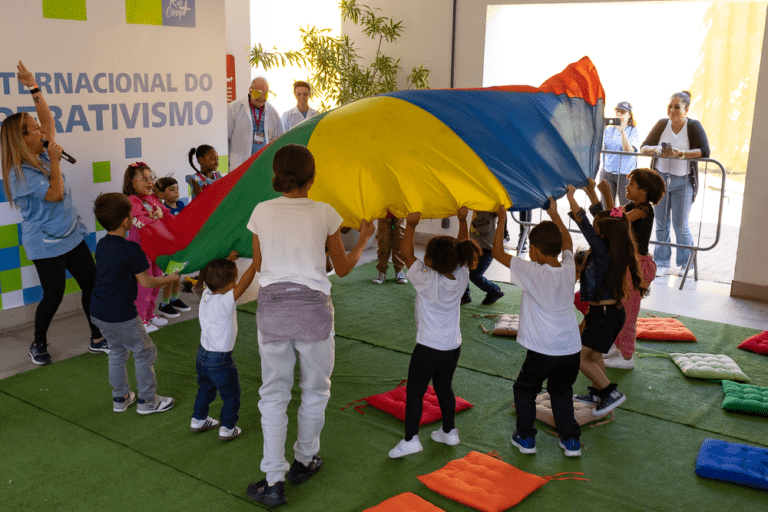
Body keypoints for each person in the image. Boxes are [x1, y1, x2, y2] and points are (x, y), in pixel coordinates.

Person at [245, 144, 374, 507]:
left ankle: (273, 481)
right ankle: (305, 460)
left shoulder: (261, 211)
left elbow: (259, 264)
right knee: (315, 391)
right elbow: (342, 268)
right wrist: (364, 239)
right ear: (312, 178)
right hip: (314, 311)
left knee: (274, 395)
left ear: (277, 175)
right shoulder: (325, 212)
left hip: (273, 309)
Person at [1, 61, 107, 365]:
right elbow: (55, 194)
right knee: (54, 294)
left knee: (92, 284)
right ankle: (38, 343)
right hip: (45, 242)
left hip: (71, 233)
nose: (42, 131)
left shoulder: (43, 151)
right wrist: (56, 162)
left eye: (38, 127)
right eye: (34, 130)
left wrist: (33, 87)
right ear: (22, 139)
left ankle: (97, 337)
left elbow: (48, 118)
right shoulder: (19, 173)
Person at [492, 199, 583, 457]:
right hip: (570, 348)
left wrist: (502, 219)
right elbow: (568, 243)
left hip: (543, 349)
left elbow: (497, 253)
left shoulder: (531, 271)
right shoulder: (568, 268)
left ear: (533, 250)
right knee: (561, 391)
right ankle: (571, 441)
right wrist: (554, 214)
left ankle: (526, 437)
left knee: (525, 389)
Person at [388, 208, 481, 459]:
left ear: (429, 260)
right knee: (444, 388)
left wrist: (410, 225)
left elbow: (406, 254)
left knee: (415, 393)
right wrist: (462, 220)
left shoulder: (426, 279)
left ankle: (411, 440)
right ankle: (449, 431)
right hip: (452, 348)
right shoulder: (461, 276)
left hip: (427, 349)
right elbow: (462, 244)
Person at [90, 193, 178, 414]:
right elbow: (146, 282)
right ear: (126, 221)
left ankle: (120, 398)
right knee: (145, 352)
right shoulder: (132, 249)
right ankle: (148, 401)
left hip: (98, 311)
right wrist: (168, 279)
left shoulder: (101, 244)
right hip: (121, 314)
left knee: (117, 351)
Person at [566, 185, 646, 416]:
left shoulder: (602, 250)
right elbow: (609, 217)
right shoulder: (616, 242)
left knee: (580, 358)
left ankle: (610, 393)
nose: (594, 227)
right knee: (594, 355)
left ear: (603, 232)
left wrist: (571, 197)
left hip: (604, 315)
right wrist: (593, 193)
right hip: (606, 314)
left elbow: (584, 223)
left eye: (597, 226)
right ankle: (598, 394)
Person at [587, 173, 666, 370]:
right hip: (627, 264)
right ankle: (616, 346)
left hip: (637, 266)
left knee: (628, 312)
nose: (627, 187)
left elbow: (619, 222)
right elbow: (611, 216)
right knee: (618, 307)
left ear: (644, 191)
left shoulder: (644, 209)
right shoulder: (631, 206)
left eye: (632, 184)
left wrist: (607, 193)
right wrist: (597, 194)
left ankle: (626, 356)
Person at [639, 91, 710, 274]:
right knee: (661, 223)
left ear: (686, 110)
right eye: (670, 106)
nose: (672, 110)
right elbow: (644, 147)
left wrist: (682, 154)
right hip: (660, 181)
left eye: (677, 107)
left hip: (683, 182)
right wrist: (657, 150)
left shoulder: (693, 126)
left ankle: (686, 264)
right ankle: (661, 263)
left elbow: (705, 151)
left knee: (680, 225)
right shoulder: (662, 124)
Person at [191, 257, 257, 441]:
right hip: (220, 360)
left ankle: (198, 419)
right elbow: (244, 283)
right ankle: (228, 428)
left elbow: (216, 275)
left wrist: (227, 259)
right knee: (231, 394)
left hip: (202, 355)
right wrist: (255, 264)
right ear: (230, 285)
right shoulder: (226, 301)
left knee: (205, 388)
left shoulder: (206, 294)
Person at [123, 163, 171, 332]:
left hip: (155, 249)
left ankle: (150, 315)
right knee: (145, 286)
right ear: (132, 181)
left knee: (156, 282)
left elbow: (166, 213)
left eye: (151, 178)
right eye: (144, 179)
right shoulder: (132, 200)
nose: (150, 182)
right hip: (140, 250)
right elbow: (139, 220)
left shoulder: (153, 198)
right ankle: (141, 321)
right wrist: (158, 220)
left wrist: (166, 218)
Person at [227, 76, 284, 172]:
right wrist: (225, 167)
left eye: (265, 95)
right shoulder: (234, 108)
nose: (262, 98)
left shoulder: (273, 113)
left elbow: (279, 140)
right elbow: (225, 140)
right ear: (250, 90)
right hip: (240, 166)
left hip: (264, 166)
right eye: (258, 93)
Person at [153, 177, 191, 318]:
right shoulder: (162, 210)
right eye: (171, 189)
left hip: (180, 247)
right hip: (169, 249)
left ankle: (174, 299)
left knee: (178, 273)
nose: (176, 192)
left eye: (177, 189)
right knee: (170, 276)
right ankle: (164, 304)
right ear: (162, 194)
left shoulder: (181, 204)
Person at [461, 211, 505, 306]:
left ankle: (495, 291)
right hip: (473, 247)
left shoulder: (491, 210)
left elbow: (502, 210)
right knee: (463, 270)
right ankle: (465, 295)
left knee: (475, 275)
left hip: (487, 250)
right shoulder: (474, 209)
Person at [601, 101, 639, 206]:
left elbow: (629, 150)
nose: (619, 114)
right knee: (608, 206)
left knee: (625, 207)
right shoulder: (609, 129)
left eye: (622, 112)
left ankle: (620, 217)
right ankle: (614, 217)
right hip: (608, 172)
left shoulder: (633, 130)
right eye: (617, 111)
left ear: (629, 115)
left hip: (625, 175)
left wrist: (622, 132)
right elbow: (601, 147)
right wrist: (602, 129)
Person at [372, 213, 408, 285]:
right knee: (383, 242)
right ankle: (382, 272)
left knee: (399, 241)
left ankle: (399, 271)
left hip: (400, 210)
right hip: (384, 211)